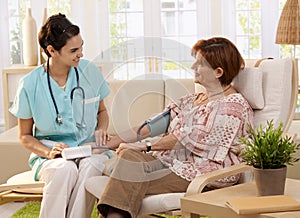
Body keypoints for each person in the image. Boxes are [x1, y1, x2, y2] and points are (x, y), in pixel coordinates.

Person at [96, 37, 254, 218]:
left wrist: (145, 146)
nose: (194, 67)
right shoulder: (194, 100)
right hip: (171, 162)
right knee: (128, 158)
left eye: (200, 63)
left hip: (204, 173)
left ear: (218, 72)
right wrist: (106, 144)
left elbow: (188, 139)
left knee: (127, 180)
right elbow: (150, 126)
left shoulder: (232, 107)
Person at [9, 13, 111, 218]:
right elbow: (25, 136)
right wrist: (48, 152)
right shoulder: (30, 84)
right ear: (52, 51)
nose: (81, 54)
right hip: (50, 154)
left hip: (89, 149)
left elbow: (102, 112)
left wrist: (101, 129)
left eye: (82, 46)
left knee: (91, 167)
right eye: (74, 50)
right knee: (65, 170)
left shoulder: (89, 72)